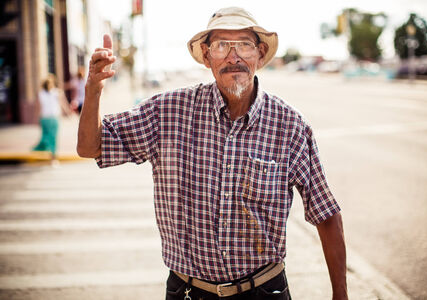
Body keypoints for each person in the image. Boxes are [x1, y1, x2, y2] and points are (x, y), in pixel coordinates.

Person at [77, 7, 347, 300]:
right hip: (188, 291)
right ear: (207, 57)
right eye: (221, 46)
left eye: (244, 44)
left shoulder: (290, 126)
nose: (234, 57)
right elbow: (91, 147)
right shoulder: (168, 112)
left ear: (260, 52)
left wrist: (340, 295)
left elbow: (326, 214)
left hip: (264, 291)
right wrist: (93, 90)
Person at [33, 74, 72, 162]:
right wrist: (69, 114)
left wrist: (36, 119)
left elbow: (38, 107)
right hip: (54, 118)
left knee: (46, 137)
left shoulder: (40, 93)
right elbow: (63, 105)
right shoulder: (57, 92)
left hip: (45, 118)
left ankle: (47, 151)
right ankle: (53, 156)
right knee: (53, 138)